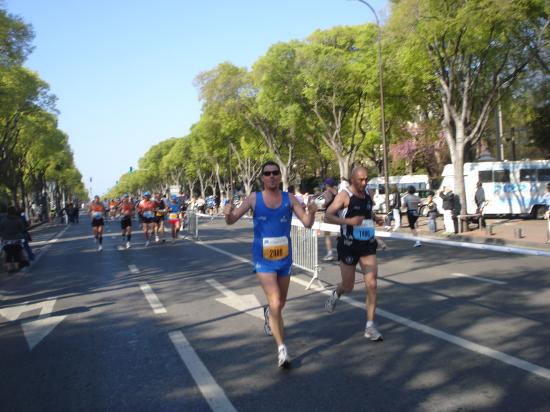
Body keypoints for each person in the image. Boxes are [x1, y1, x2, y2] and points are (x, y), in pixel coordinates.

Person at [224, 161, 317, 368]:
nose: (272, 176)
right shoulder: (254, 199)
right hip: (263, 260)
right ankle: (282, 349)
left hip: (284, 259)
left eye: (275, 173)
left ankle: (269, 315)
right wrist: (227, 212)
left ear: (279, 176)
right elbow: (232, 220)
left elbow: (307, 223)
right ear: (262, 178)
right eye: (268, 173)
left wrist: (311, 211)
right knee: (276, 302)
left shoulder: (289, 198)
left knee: (280, 304)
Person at [324, 166, 385, 341]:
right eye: (361, 180)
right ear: (353, 180)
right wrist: (348, 221)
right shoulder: (344, 195)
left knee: (372, 284)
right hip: (348, 245)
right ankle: (337, 293)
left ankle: (370, 326)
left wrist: (375, 218)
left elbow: (366, 212)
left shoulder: (367, 195)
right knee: (348, 286)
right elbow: (328, 215)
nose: (364, 183)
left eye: (366, 179)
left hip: (366, 244)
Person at [0, 206, 29, 272]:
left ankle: (9, 268)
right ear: (15, 212)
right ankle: (16, 267)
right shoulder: (18, 220)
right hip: (17, 240)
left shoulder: (3, 221)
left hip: (6, 241)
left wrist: (3, 235)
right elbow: (23, 229)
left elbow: (0, 230)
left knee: (8, 254)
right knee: (16, 253)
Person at [320, 178, 338, 261]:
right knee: (340, 233)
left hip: (328, 215)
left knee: (327, 235)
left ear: (327, 185)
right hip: (337, 215)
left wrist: (323, 205)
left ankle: (330, 253)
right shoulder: (337, 192)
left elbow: (326, 201)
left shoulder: (327, 192)